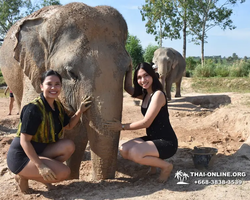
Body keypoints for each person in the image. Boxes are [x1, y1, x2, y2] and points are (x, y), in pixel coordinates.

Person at [7, 70, 92, 193]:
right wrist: (41, 166)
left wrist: (80, 111)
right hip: (21, 156)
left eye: (57, 84)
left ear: (61, 86)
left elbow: (68, 125)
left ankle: (39, 173)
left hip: (40, 150)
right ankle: (23, 175)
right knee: (64, 172)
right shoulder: (33, 109)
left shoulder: (57, 106)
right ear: (41, 86)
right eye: (49, 84)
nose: (53, 87)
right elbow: (24, 141)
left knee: (68, 146)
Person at [105, 62, 178, 183]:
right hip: (152, 138)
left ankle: (166, 166)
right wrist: (129, 69)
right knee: (123, 149)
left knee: (135, 153)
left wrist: (121, 126)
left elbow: (146, 123)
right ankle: (153, 166)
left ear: (153, 76)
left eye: (146, 75)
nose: (143, 80)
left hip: (167, 142)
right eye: (139, 77)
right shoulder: (146, 95)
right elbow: (128, 88)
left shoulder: (158, 95)